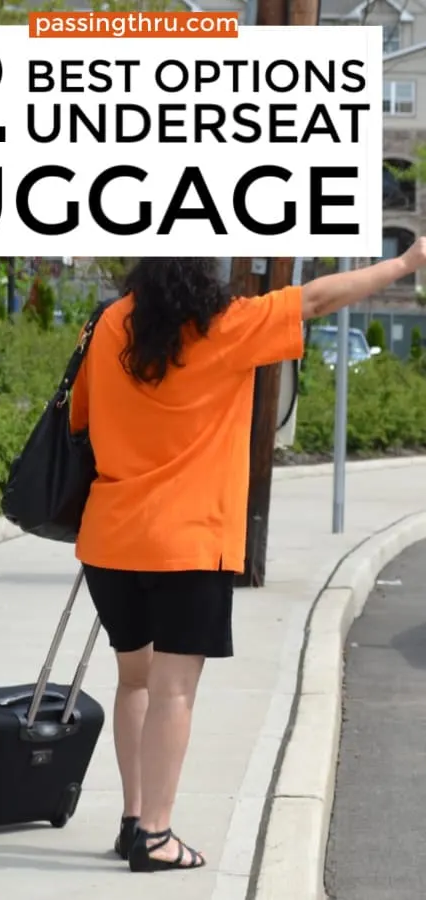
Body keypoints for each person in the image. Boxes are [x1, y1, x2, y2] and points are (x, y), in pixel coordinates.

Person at [70, 243, 426, 873]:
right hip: (189, 540)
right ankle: (157, 836)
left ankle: (132, 821)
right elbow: (317, 298)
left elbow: (84, 420)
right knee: (175, 690)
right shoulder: (228, 325)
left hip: (111, 539)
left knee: (135, 679)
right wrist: (404, 265)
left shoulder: (106, 326)